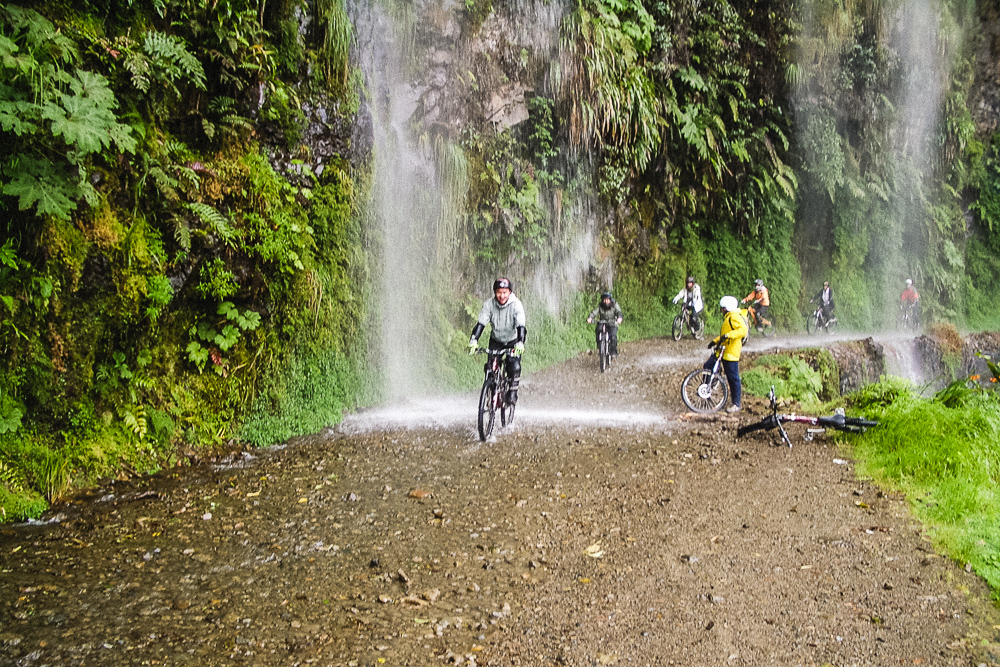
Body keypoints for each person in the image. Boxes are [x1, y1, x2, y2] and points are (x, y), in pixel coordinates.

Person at [468, 278, 527, 404]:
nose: (502, 296)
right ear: (495, 292)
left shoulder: (516, 305)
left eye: (505, 292)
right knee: (490, 367)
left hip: (513, 340)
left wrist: (520, 342)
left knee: (514, 366)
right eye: (499, 292)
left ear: (510, 292)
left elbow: (521, 326)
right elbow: (481, 324)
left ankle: (512, 392)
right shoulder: (489, 304)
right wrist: (474, 340)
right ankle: (491, 391)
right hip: (496, 340)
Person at [707, 296, 749, 413]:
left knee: (733, 378)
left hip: (731, 353)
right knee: (708, 365)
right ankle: (709, 388)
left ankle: (736, 404)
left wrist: (728, 336)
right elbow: (726, 334)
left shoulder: (734, 317)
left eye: (722, 308)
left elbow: (742, 330)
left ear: (726, 308)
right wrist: (715, 341)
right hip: (723, 350)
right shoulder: (729, 317)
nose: (721, 310)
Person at [587, 291, 624, 358]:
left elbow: (619, 312)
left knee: (613, 336)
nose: (606, 301)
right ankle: (599, 345)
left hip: (612, 322)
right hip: (602, 322)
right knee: (598, 330)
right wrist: (590, 317)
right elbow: (595, 312)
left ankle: (613, 352)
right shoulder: (600, 306)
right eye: (605, 300)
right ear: (603, 300)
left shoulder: (614, 304)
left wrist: (619, 318)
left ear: (610, 299)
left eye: (608, 299)